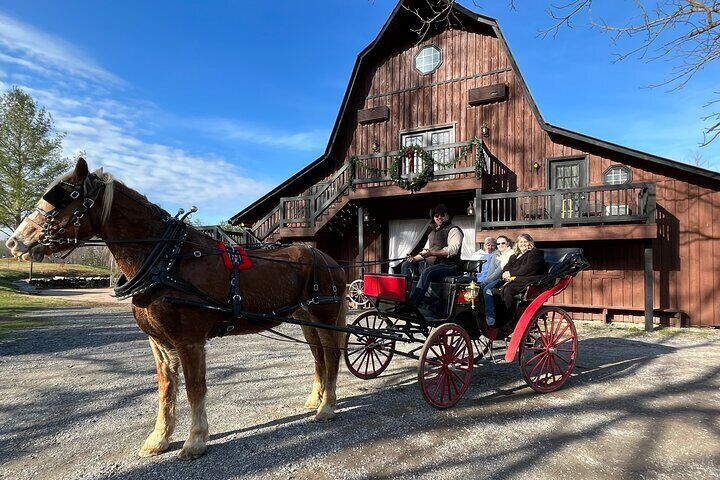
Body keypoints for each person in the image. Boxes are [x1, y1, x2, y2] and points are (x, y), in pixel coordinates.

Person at [401, 204, 464, 307]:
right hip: (433, 264)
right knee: (406, 264)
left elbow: (452, 251)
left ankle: (413, 304)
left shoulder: (454, 230)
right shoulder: (432, 232)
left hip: (450, 265)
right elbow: (426, 251)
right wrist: (413, 258)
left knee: (427, 272)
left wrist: (431, 253)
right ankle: (404, 297)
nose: (439, 217)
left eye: (442, 215)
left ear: (448, 216)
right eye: (436, 215)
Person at [498, 233, 547, 317]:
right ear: (517, 244)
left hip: (529, 279)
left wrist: (510, 273)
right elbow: (506, 267)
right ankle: (498, 317)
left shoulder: (535, 254)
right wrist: (504, 273)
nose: (523, 244)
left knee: (508, 290)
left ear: (530, 243)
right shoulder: (514, 256)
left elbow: (528, 268)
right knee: (494, 290)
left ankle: (511, 317)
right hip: (516, 279)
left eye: (525, 242)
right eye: (520, 242)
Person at [481, 235, 513, 326]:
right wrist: (486, 280)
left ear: (508, 243)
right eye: (498, 243)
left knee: (487, 289)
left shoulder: (510, 253)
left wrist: (487, 281)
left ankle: (490, 316)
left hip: (505, 278)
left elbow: (499, 271)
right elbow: (491, 269)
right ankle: (482, 311)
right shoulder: (497, 253)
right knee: (480, 287)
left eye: (503, 243)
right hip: (496, 278)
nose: (500, 245)